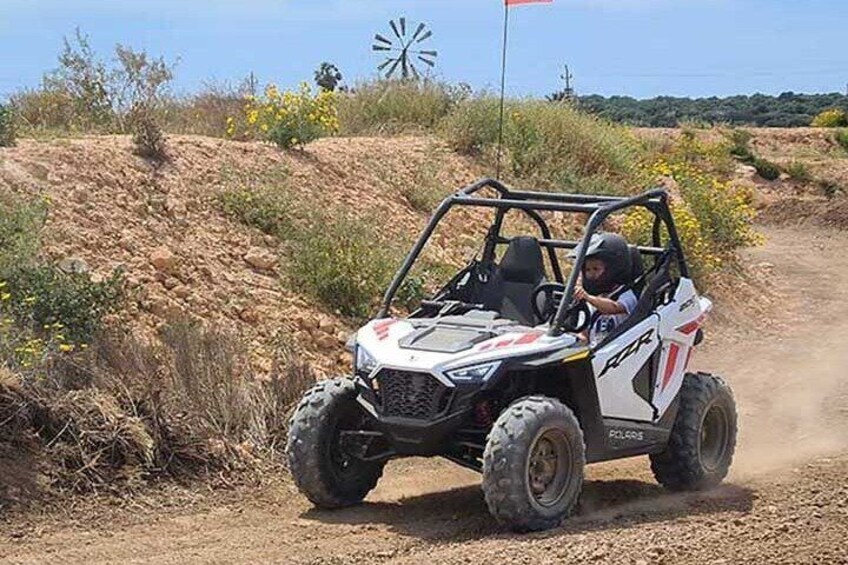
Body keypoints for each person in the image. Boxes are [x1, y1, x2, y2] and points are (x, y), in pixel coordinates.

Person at [572, 233, 638, 346]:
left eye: (596, 269)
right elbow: (583, 334)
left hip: (618, 351)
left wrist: (588, 298)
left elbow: (614, 307)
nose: (591, 274)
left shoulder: (626, 294)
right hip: (594, 353)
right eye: (587, 270)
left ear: (613, 268)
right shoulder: (589, 300)